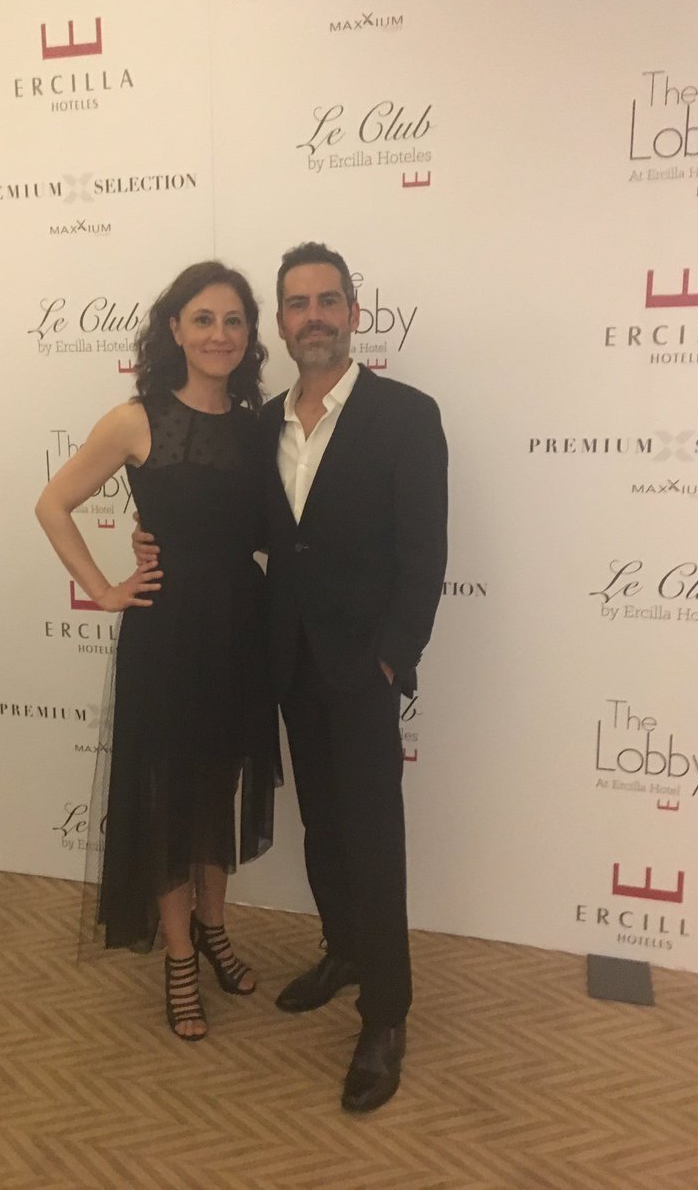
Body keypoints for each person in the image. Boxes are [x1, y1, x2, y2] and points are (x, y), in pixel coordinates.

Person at [137, 241, 448, 1109]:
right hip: (286, 663)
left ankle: (386, 1012)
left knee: (373, 836)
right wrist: (155, 537)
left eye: (328, 301)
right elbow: (226, 522)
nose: (313, 316)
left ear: (353, 312)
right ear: (280, 322)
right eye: (297, 304)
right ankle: (344, 950)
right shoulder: (262, 423)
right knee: (321, 827)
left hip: (364, 668)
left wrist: (394, 655)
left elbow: (426, 555)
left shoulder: (406, 416)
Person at [36, 261, 280, 1042]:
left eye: (234, 320)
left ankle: (213, 929)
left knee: (217, 789)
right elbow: (53, 503)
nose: (219, 334)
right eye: (203, 318)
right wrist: (105, 588)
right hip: (168, 630)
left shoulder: (258, 426)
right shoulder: (135, 420)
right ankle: (179, 957)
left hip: (239, 627)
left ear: (250, 334)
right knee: (170, 797)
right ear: (173, 329)